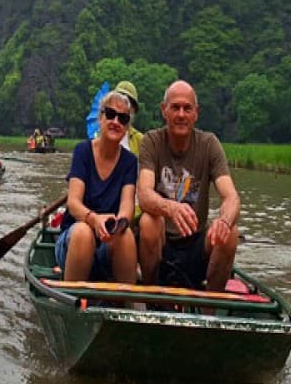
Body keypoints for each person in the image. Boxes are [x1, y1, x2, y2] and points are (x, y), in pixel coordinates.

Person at [137, 80, 240, 292]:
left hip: (195, 244)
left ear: (196, 113)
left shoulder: (209, 144)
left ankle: (210, 311)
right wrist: (170, 208)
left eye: (187, 108)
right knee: (148, 222)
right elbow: (144, 194)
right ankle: (151, 299)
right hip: (162, 244)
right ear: (164, 110)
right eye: (175, 107)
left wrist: (224, 221)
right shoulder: (152, 142)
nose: (181, 114)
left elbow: (231, 197)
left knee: (230, 232)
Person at [55, 90, 138, 283]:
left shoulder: (129, 162)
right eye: (110, 114)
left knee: (125, 236)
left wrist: (119, 224)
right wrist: (94, 220)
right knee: (84, 233)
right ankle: (73, 304)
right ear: (100, 118)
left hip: (107, 243)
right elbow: (73, 203)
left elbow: (127, 206)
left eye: (123, 118)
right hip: (74, 241)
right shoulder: (83, 151)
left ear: (126, 128)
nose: (115, 121)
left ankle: (129, 305)